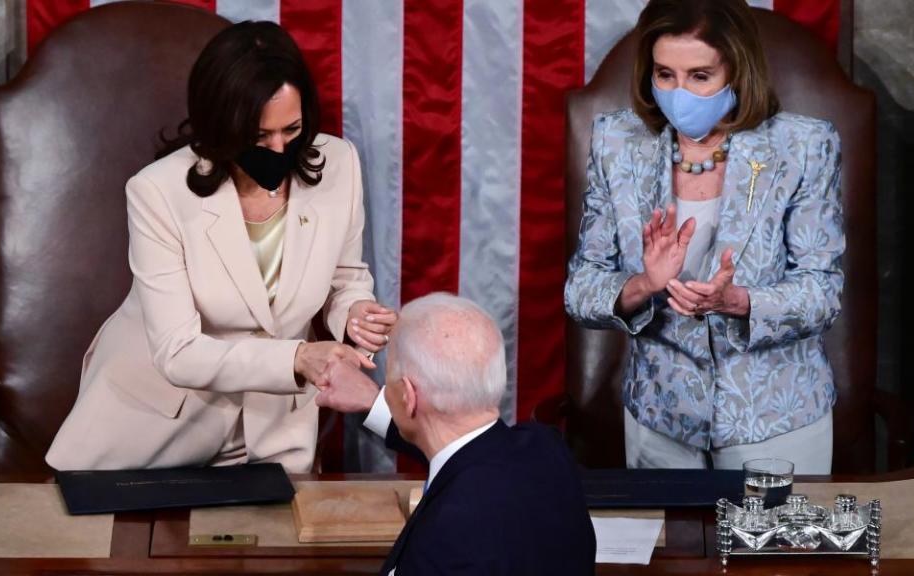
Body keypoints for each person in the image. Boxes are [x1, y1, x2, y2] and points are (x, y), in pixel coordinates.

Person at [46, 22, 396, 472]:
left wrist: (353, 312)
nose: (277, 149)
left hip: (274, 431)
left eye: (291, 130)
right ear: (219, 124)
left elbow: (344, 277)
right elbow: (178, 351)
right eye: (258, 137)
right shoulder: (157, 192)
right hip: (153, 427)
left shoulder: (339, 164)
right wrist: (298, 356)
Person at [564, 0, 844, 474]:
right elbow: (581, 290)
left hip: (777, 418)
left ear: (737, 70)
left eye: (699, 76)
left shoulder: (803, 146)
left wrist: (737, 301)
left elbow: (823, 294)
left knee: (776, 552)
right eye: (664, 74)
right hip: (661, 417)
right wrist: (643, 286)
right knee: (672, 550)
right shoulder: (617, 143)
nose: (679, 93)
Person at [316, 293, 596, 576]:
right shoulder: (546, 448)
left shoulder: (446, 539)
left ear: (408, 396)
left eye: (389, 381)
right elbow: (465, 450)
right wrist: (374, 400)